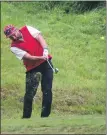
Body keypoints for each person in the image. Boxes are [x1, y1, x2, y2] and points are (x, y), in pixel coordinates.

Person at [4, 24, 53, 118]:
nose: (13, 37)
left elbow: (40, 38)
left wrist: (45, 50)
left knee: (47, 90)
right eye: (10, 37)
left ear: (17, 30)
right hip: (32, 68)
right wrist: (41, 57)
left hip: (46, 63)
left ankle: (45, 116)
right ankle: (26, 117)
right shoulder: (13, 47)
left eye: (13, 34)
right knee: (29, 94)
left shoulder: (27, 29)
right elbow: (29, 57)